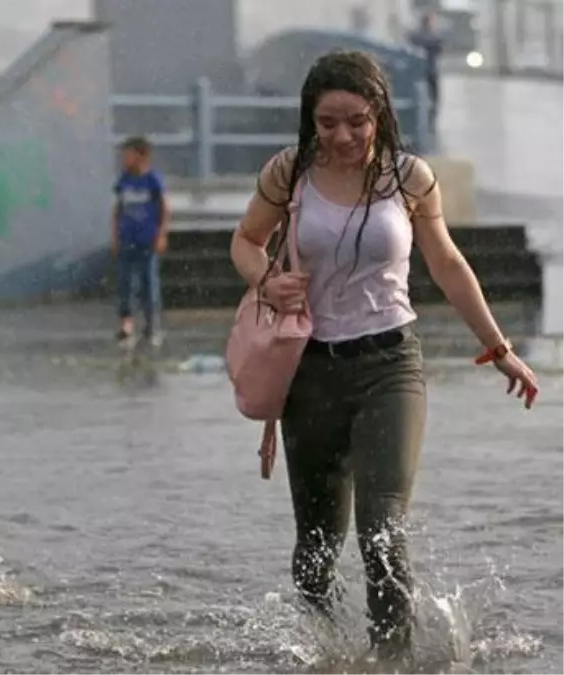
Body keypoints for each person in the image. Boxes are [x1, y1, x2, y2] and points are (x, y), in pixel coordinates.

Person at [229, 51, 538, 660]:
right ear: (309, 122)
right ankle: (326, 657)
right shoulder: (288, 173)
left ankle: (389, 661)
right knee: (316, 547)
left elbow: (447, 264)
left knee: (382, 531)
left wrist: (498, 347)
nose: (342, 135)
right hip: (310, 372)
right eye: (327, 123)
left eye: (356, 120)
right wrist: (265, 280)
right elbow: (245, 241)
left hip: (390, 366)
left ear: (379, 115)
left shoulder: (409, 178)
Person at [111, 136, 171, 347]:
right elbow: (118, 210)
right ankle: (126, 323)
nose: (124, 159)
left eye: (128, 154)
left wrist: (161, 234)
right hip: (127, 239)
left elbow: (164, 209)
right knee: (125, 283)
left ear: (141, 155)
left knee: (148, 283)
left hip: (147, 240)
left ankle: (151, 324)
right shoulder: (124, 180)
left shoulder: (153, 180)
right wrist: (115, 236)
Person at [408, 9, 443, 131]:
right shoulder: (432, 37)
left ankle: (428, 118)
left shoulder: (416, 35)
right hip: (430, 71)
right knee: (433, 98)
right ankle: (430, 119)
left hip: (421, 72)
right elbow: (438, 47)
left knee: (427, 97)